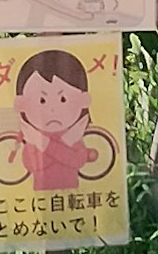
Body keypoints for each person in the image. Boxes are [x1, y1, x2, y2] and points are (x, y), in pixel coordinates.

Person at [11, 47, 97, 192]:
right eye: (42, 100)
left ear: (83, 100)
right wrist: (59, 148)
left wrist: (44, 144)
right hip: (38, 203)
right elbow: (31, 165)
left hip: (74, 197)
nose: (52, 109)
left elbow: (77, 160)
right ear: (22, 104)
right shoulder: (70, 137)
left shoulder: (71, 136)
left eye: (63, 99)